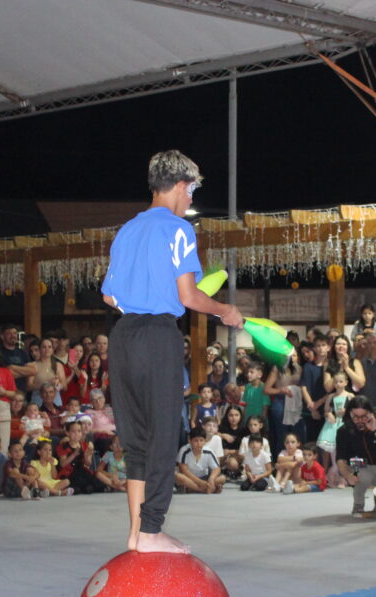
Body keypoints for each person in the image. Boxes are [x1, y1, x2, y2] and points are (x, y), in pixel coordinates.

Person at [100, 149, 242, 553]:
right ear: (180, 185)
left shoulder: (127, 230)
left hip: (123, 335)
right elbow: (189, 296)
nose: (192, 197)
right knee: (164, 435)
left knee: (137, 439)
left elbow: (110, 296)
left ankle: (135, 533)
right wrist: (225, 311)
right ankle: (152, 530)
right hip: (159, 335)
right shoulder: (179, 229)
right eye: (192, 189)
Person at [335, 396, 376, 514]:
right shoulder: (344, 430)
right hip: (358, 464)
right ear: (350, 414)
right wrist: (348, 476)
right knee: (364, 475)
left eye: (363, 416)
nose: (360, 420)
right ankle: (358, 504)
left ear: (371, 413)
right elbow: (340, 458)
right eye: (356, 417)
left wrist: (375, 430)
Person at [175, 426, 225, 494]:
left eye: (201, 440)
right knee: (178, 476)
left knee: (222, 478)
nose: (199, 443)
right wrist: (200, 482)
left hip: (204, 478)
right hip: (189, 478)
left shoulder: (208, 451)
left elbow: (217, 468)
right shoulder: (184, 450)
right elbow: (183, 470)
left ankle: (191, 489)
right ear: (190, 441)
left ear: (205, 441)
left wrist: (211, 479)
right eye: (196, 440)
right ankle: (204, 490)